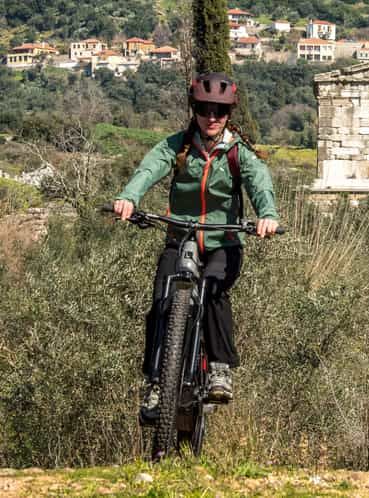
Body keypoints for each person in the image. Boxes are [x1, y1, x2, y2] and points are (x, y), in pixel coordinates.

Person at [113, 72, 279, 423]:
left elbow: (260, 183)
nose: (212, 116)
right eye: (205, 109)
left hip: (224, 241)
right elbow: (148, 168)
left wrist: (268, 215)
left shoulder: (237, 153)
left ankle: (219, 368)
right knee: (161, 301)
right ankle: (156, 382)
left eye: (219, 109)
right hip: (180, 236)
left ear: (229, 112)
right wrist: (129, 197)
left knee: (214, 291)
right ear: (195, 109)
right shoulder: (177, 146)